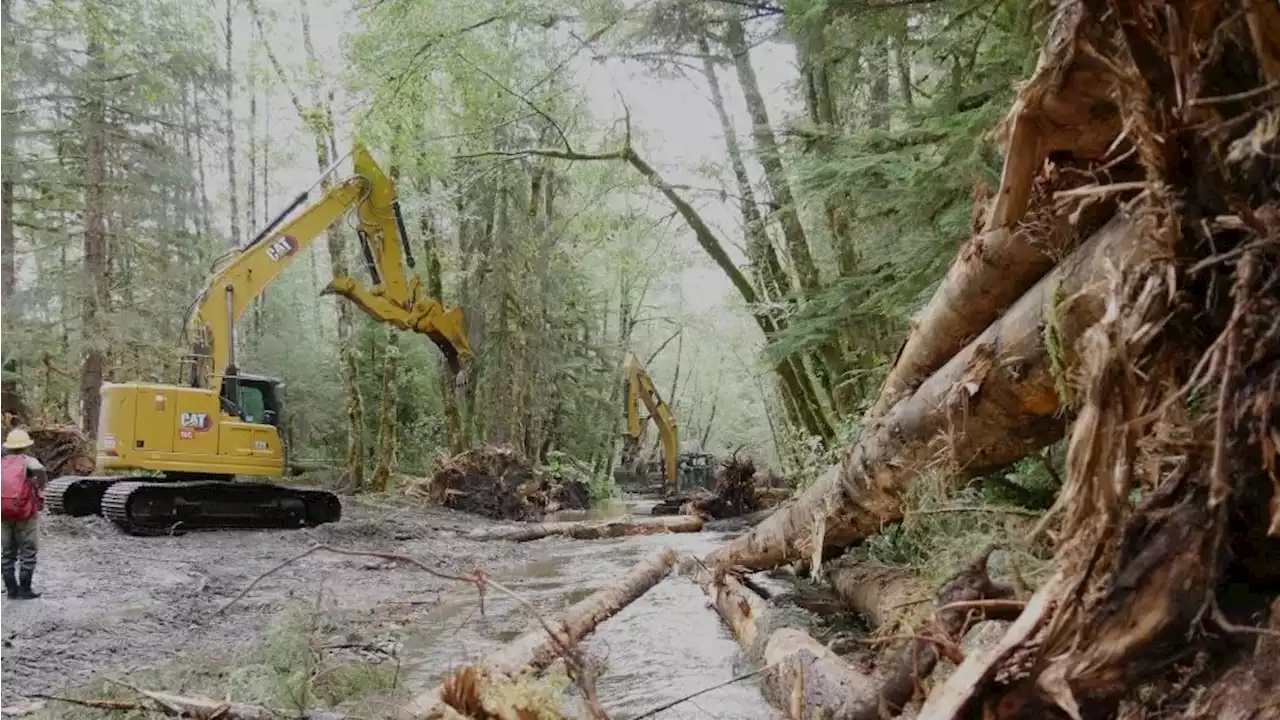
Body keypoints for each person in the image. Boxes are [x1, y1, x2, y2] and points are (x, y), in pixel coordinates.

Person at [0, 428, 47, 600]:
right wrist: (40, 485)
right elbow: (40, 471)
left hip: (3, 513)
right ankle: (25, 590)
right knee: (28, 550)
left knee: (7, 551)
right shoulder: (28, 461)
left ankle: (11, 590)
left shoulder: (1, 461)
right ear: (26, 446)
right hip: (25, 512)